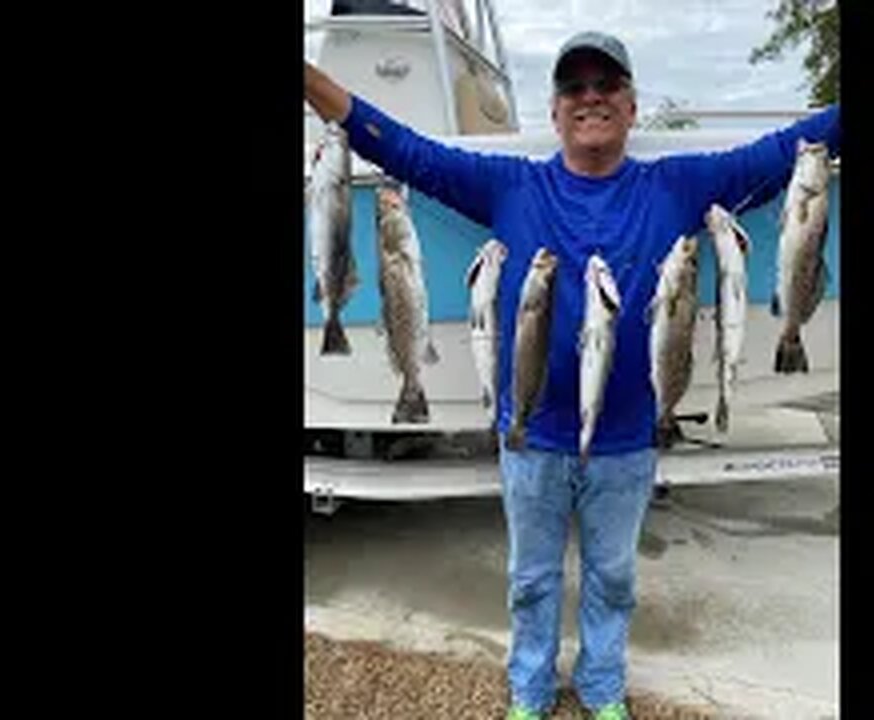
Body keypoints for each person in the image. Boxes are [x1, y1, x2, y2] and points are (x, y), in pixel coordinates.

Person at [305, 30, 841, 720]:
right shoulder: (510, 187)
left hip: (627, 439)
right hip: (532, 435)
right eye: (574, 88)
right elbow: (399, 148)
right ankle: (529, 690)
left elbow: (787, 148)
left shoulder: (679, 185)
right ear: (554, 111)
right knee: (530, 579)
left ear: (631, 105)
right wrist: (311, 82)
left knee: (613, 577)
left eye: (606, 85)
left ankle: (602, 687)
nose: (591, 98)